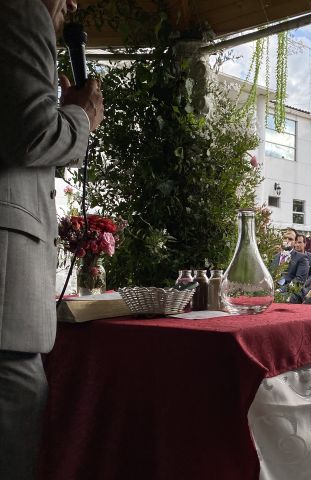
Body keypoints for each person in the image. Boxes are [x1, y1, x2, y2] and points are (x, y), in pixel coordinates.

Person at [0, 1, 104, 478]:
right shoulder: (23, 11)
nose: (73, 4)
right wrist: (80, 117)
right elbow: (34, 135)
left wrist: (62, 116)